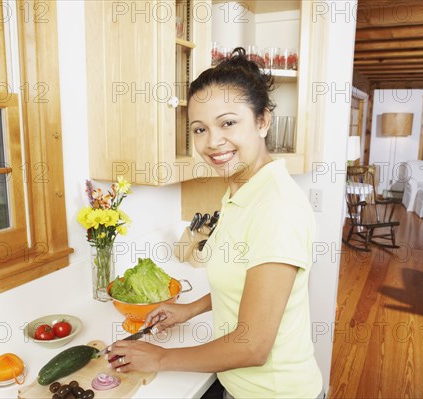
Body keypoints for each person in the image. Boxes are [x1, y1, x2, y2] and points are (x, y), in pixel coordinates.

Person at [107, 48, 324, 399]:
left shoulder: (277, 207)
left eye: (228, 123)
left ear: (262, 121)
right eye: (199, 129)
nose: (213, 142)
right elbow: (245, 279)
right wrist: (189, 310)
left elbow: (253, 346)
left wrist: (160, 357)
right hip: (236, 385)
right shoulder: (241, 192)